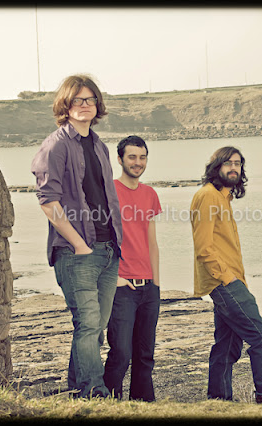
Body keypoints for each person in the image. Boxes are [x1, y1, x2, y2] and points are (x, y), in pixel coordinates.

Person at [31, 74, 122, 398]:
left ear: (98, 105)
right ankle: (94, 390)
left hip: (108, 250)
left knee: (95, 328)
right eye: (78, 100)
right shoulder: (55, 146)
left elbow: (106, 197)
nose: (85, 105)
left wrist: (116, 244)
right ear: (66, 105)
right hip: (76, 252)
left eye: (90, 99)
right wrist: (80, 245)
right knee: (88, 323)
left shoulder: (99, 146)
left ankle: (76, 388)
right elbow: (48, 201)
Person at [190, 146, 262, 404]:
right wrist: (228, 279)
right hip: (224, 282)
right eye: (228, 163)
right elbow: (204, 248)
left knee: (227, 346)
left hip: (229, 280)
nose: (233, 168)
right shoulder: (207, 196)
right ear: (216, 166)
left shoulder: (223, 198)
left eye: (238, 164)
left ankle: (218, 401)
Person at [104, 135, 162, 401]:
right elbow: (98, 239)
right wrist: (113, 277)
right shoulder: (109, 192)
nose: (138, 162)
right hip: (122, 287)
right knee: (120, 353)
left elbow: (152, 242)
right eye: (132, 157)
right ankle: (109, 404)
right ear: (120, 160)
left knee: (145, 355)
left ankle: (144, 405)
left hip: (148, 287)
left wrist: (156, 284)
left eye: (142, 157)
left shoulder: (150, 194)